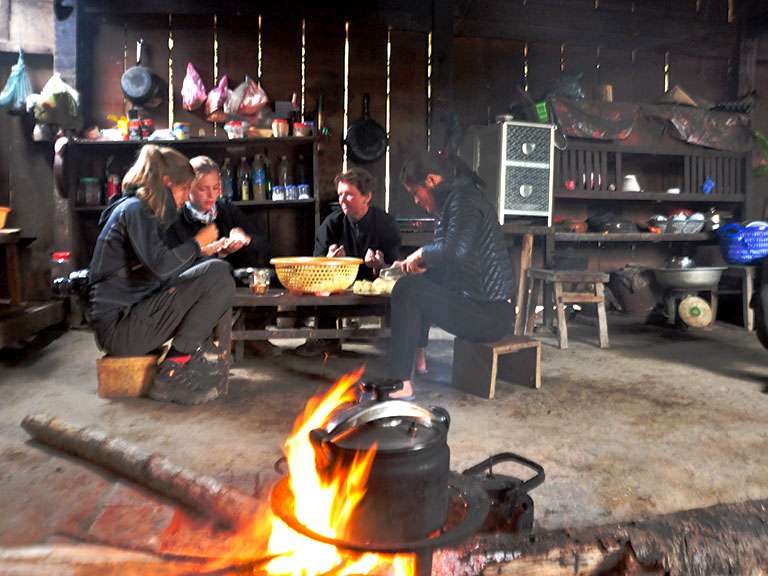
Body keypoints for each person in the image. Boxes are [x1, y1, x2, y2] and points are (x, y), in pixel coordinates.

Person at [88, 145, 235, 405]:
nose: (183, 198)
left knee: (212, 272)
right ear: (167, 183)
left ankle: (185, 358)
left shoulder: (142, 211)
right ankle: (171, 373)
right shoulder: (135, 210)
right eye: (183, 190)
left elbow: (161, 270)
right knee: (218, 274)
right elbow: (161, 268)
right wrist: (197, 244)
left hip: (129, 320)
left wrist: (201, 254)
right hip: (120, 330)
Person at [387, 149, 517, 399]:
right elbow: (453, 259)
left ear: (431, 181)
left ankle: (400, 383)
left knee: (407, 290)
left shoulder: (464, 200)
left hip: (490, 316)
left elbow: (455, 251)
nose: (416, 200)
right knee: (415, 282)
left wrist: (422, 253)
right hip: (478, 308)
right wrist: (420, 264)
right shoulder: (454, 202)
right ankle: (418, 359)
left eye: (416, 193)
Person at [166, 155, 277, 357]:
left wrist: (245, 239)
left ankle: (255, 335)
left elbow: (266, 248)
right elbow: (174, 265)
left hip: (231, 278)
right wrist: (216, 252)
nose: (211, 195)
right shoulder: (176, 218)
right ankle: (199, 338)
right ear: (188, 188)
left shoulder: (226, 210)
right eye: (203, 189)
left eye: (216, 187)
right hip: (193, 286)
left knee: (265, 272)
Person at [294, 167, 401, 357]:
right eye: (340, 194)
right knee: (318, 288)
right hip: (338, 289)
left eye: (349, 195)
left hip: (373, 290)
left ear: (366, 197)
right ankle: (326, 340)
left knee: (400, 288)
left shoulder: (385, 224)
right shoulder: (331, 223)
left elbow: (396, 268)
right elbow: (314, 268)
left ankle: (397, 342)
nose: (342, 200)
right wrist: (329, 261)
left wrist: (379, 266)